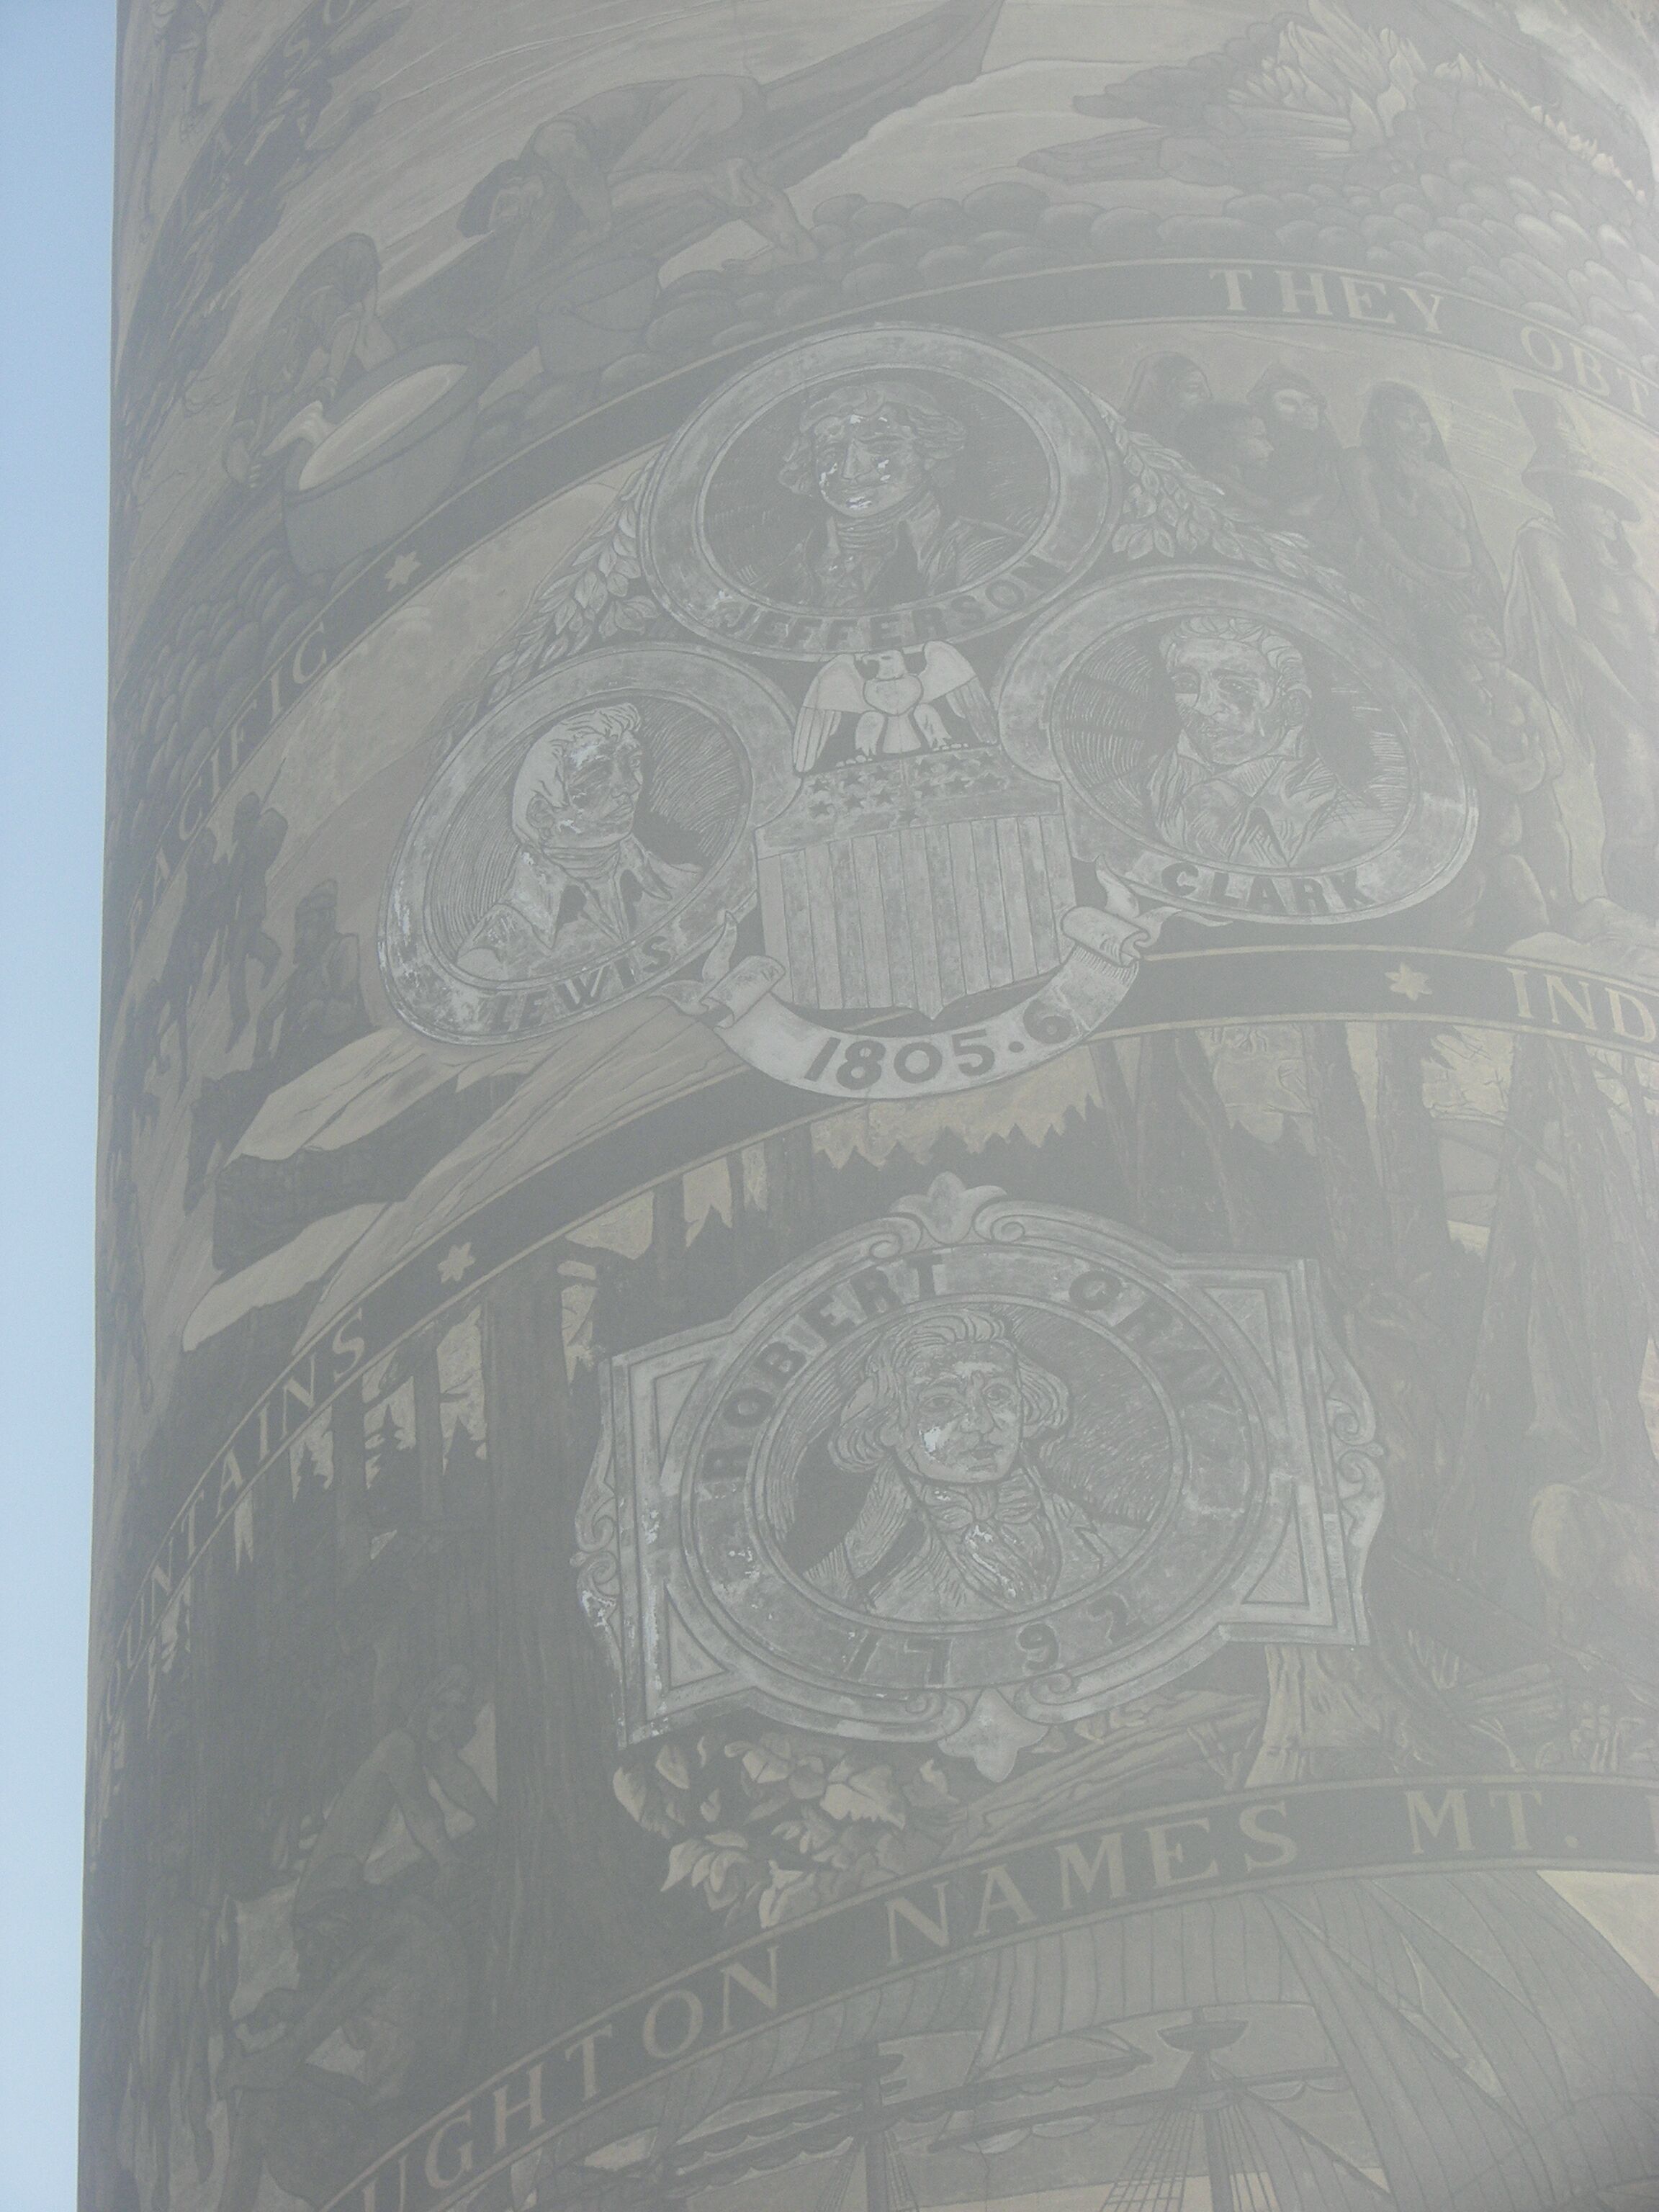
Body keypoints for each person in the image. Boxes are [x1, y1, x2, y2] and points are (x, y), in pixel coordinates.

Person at [805, 1308, 1127, 1620]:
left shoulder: (1110, 1541)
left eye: (998, 1394)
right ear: (891, 1424)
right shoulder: (847, 1573)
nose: (981, 1422)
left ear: (1026, 1405)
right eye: (941, 1402)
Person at [1506, 391, 1659, 915]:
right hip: (1610, 696)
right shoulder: (1544, 543)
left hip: (1646, 693)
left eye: (1607, 504)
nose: (1603, 515)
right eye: (1588, 499)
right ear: (1565, 499)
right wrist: (1628, 699)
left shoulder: (1631, 573)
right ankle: (1636, 904)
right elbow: (1570, 631)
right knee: (1633, 792)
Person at [457, 75, 818, 287]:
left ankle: (713, 180)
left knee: (615, 192)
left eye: (508, 203)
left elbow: (595, 210)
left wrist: (591, 235)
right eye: (510, 219)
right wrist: (512, 288)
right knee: (737, 178)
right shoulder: (544, 186)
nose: (522, 211)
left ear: (514, 176)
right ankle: (796, 246)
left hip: (713, 102)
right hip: (726, 115)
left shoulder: (551, 144)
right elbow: (531, 238)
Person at [458, 704, 702, 981]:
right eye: (597, 772)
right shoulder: (495, 959)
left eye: (633, 763)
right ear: (542, 813)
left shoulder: (689, 884)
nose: (631, 786)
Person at [1141, 614, 1402, 871]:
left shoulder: (1354, 827)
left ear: (1293, 706)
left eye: (1236, 686)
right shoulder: (1151, 783)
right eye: (1186, 684)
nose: (1204, 706)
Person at [760, 377, 1021, 612]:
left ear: (929, 451)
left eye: (880, 447)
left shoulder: (985, 553)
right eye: (830, 452)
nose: (850, 472)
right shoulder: (795, 569)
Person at [184, 879, 370, 1210]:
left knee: (247, 1102)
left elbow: (347, 1008)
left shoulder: (343, 950)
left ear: (325, 923)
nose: (301, 936)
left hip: (322, 1065)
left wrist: (320, 1008)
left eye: (308, 926)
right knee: (220, 1095)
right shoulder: (301, 976)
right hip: (286, 1068)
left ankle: (230, 1169)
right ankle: (196, 1179)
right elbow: (268, 1015)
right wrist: (260, 1054)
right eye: (300, 927)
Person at [1341, 382, 1504, 652]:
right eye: (1405, 420)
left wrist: (1500, 608)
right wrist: (1434, 586)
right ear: (1382, 422)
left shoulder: (1446, 478)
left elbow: (1478, 549)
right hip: (1416, 588)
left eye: (1423, 420)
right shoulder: (1361, 463)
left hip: (1468, 592)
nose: (1418, 429)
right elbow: (1374, 532)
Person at [224, 234, 395, 486]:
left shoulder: (319, 302)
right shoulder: (262, 380)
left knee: (367, 335)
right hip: (340, 275)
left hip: (348, 266)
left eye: (288, 372)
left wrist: (331, 381)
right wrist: (241, 466)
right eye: (284, 380)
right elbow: (237, 444)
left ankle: (395, 390)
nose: (288, 379)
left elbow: (349, 328)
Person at [1241, 364, 1347, 547]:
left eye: (1310, 402)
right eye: (1289, 402)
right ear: (1267, 407)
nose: (1303, 410)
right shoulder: (1249, 450)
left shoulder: (1328, 454)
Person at [215, 791, 288, 1046]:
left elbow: (237, 882)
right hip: (245, 910)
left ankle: (240, 1016)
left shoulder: (252, 848)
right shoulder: (245, 849)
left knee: (236, 960)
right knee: (247, 945)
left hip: (250, 908)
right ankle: (271, 954)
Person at [1120, 351, 1213, 454]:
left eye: (1206, 388)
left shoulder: (1197, 436)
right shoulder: (1136, 444)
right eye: (1193, 389)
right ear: (1161, 393)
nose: (1207, 395)